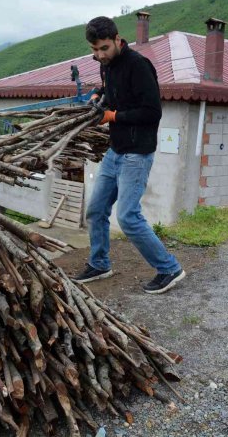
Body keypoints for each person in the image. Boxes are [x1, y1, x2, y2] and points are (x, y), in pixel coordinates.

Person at [72, 16, 185, 294]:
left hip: (137, 153)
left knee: (128, 217)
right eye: (94, 50)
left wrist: (113, 116)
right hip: (116, 150)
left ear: (117, 39)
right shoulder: (106, 66)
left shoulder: (139, 66)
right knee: (96, 209)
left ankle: (170, 269)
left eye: (104, 48)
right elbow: (112, 91)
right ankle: (99, 264)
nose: (99, 55)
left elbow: (152, 112)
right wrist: (99, 96)